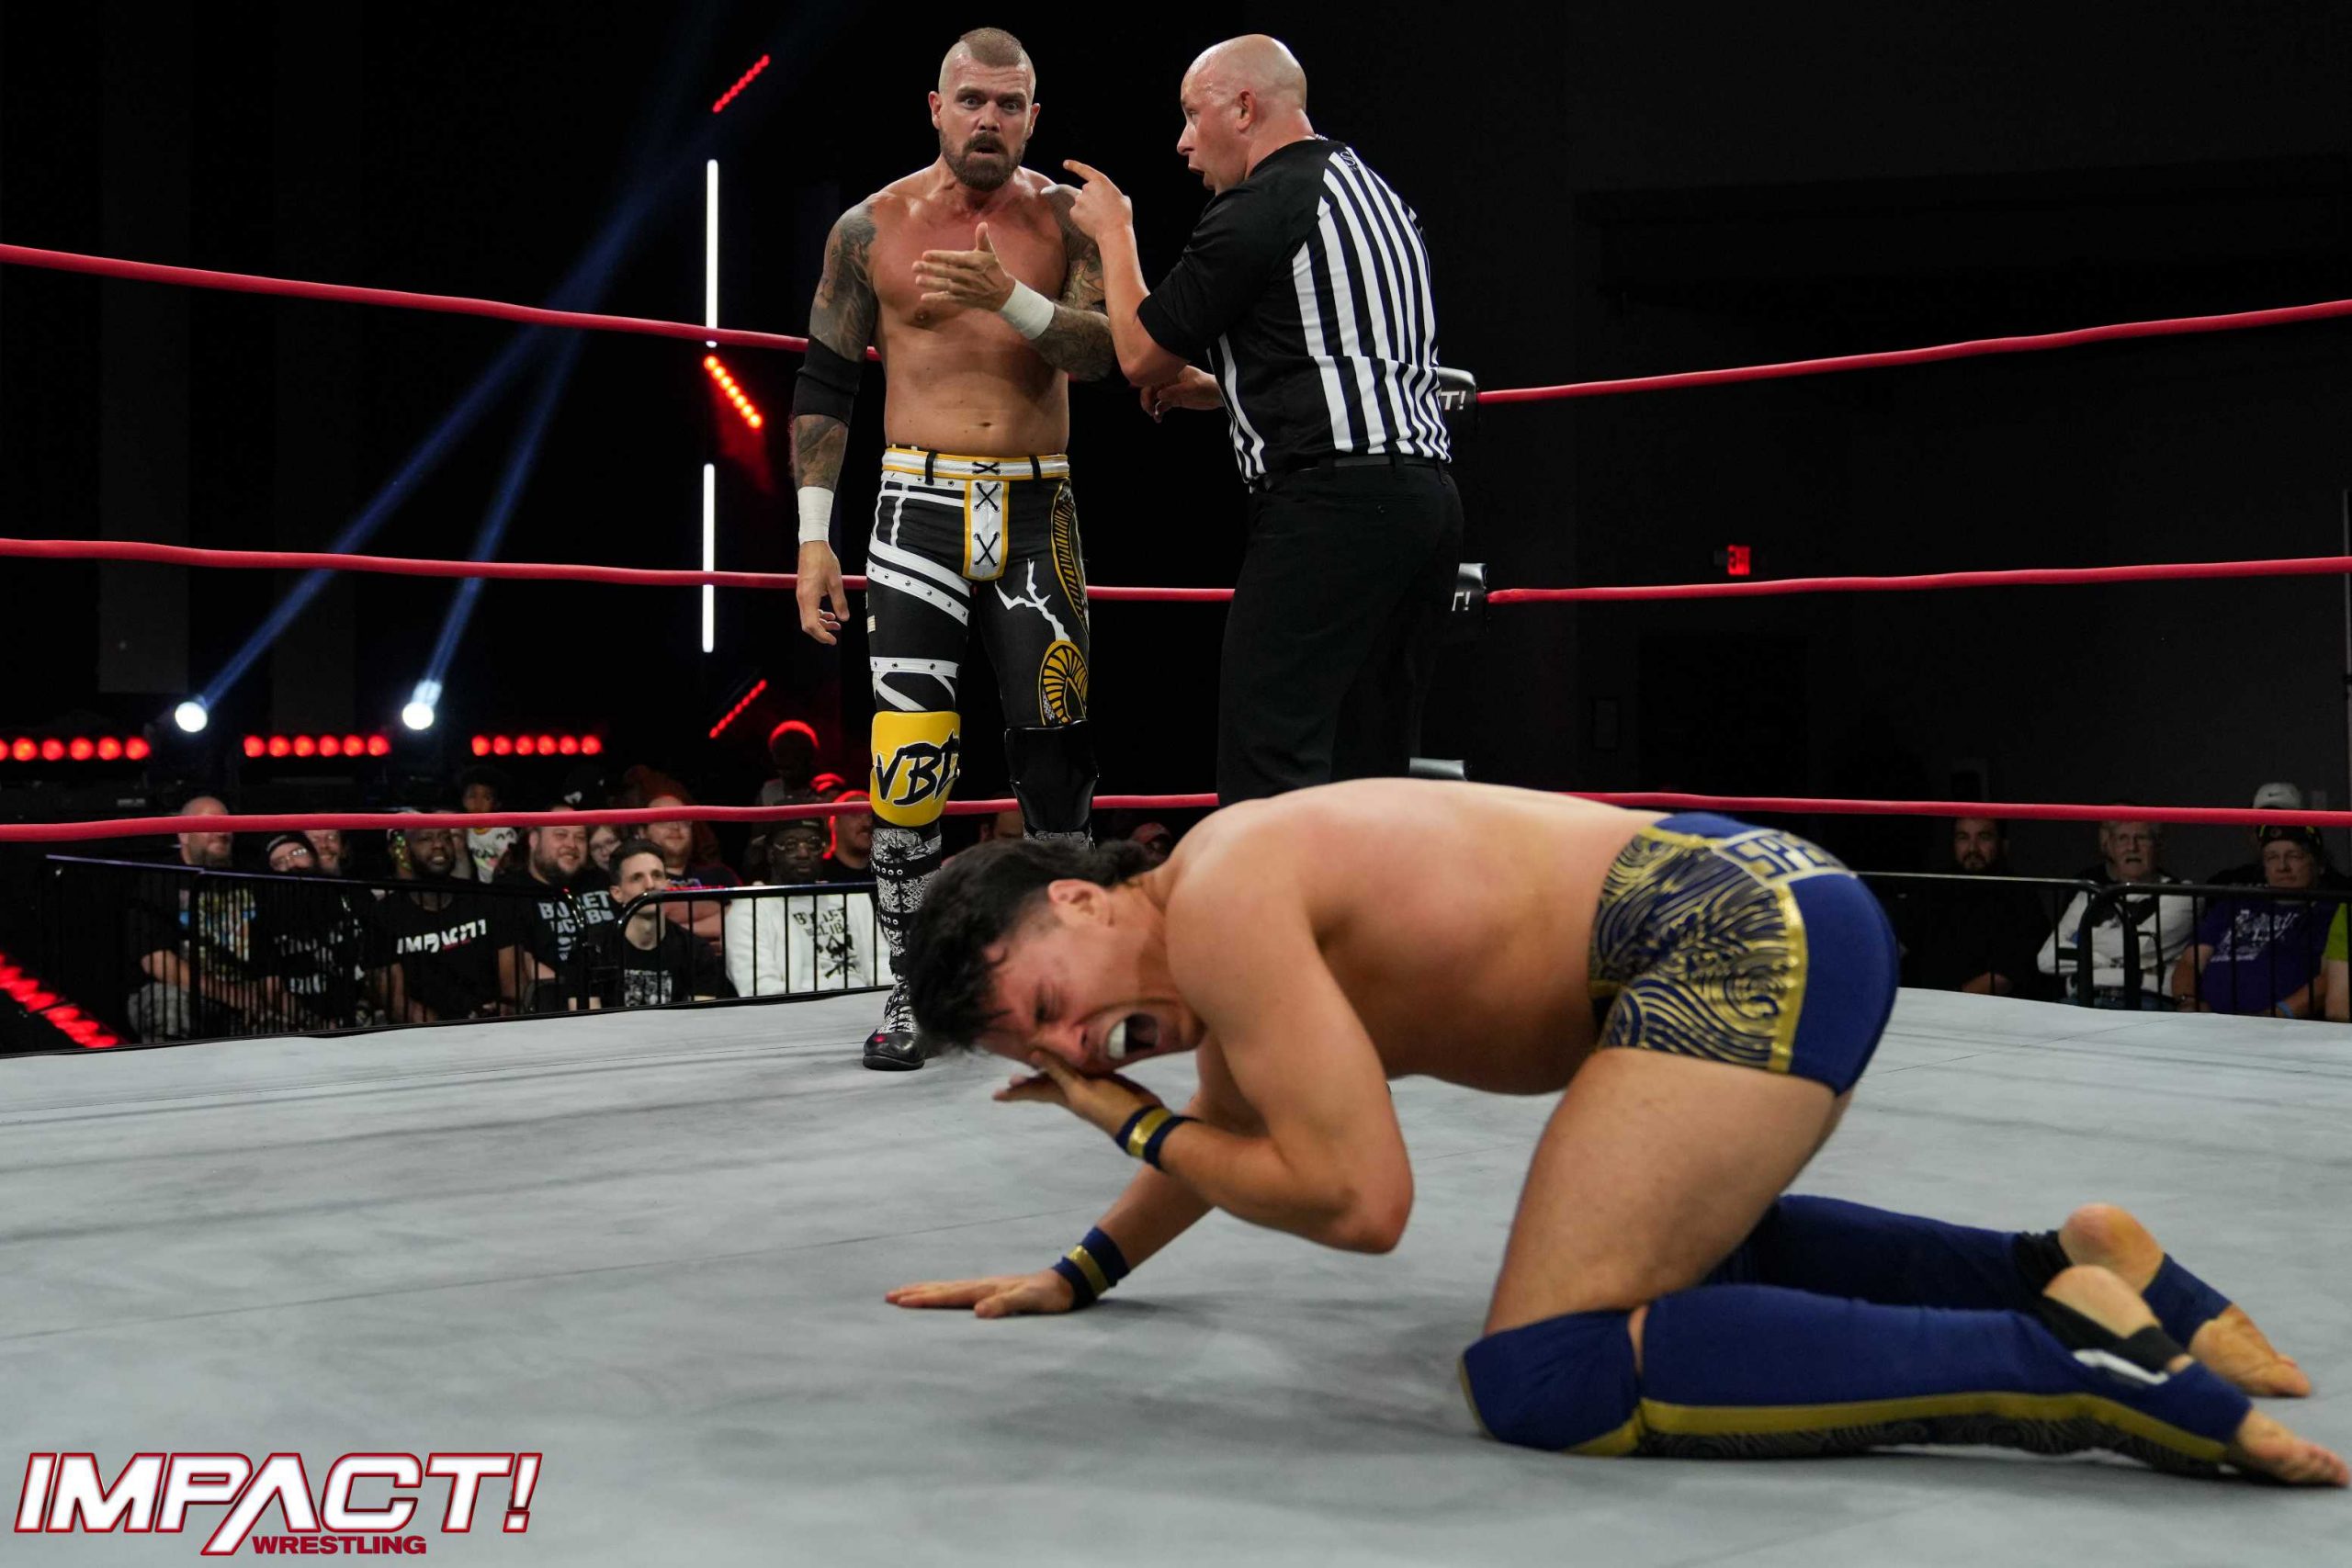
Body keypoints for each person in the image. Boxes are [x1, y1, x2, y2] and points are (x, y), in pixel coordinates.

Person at [886, 781, 2338, 1486]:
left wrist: (1129, 1125)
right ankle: (2070, 1269)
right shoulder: (1218, 900)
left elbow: (1358, 1198)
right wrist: (1081, 1267)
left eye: (1053, 1008)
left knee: (1546, 1371)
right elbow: (1237, 1129)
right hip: (1749, 898)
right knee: (1679, 1265)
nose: (1081, 1053)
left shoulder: (1218, 903)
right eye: (1044, 1057)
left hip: (1721, 933)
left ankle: (2074, 1372)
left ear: (1078, 898)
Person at [789, 26, 1115, 1071]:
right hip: (914, 505)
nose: (989, 120)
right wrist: (812, 538)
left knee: (1054, 755)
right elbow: (826, 381)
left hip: (1037, 506)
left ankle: (1064, 984)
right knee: (907, 758)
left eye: (1009, 104)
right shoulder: (869, 227)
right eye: (971, 99)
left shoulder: (1069, 221)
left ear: (1033, 116)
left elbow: (1105, 351)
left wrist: (1008, 299)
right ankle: (912, 987)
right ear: (936, 107)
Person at [1059, 35, 1460, 805]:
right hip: (1424, 505)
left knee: (1267, 757)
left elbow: (1139, 353)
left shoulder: (1260, 206)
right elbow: (1347, 353)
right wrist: (1225, 389)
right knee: (1368, 764)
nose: (1182, 143)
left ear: (1244, 108)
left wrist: (1114, 231)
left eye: (1192, 114)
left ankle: (1268, 890)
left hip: (1331, 512)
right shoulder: (1374, 191)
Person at [125, 795, 258, 1041]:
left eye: (228, 825)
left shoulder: (247, 877)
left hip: (239, 992)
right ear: (184, 834)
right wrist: (230, 994)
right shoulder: (160, 879)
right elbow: (156, 961)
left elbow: (268, 952)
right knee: (169, 1003)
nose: (222, 833)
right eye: (211, 825)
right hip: (182, 990)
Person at [2172, 827, 2335, 1018]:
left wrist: (2275, 1015)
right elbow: (2190, 962)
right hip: (2207, 1023)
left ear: (2320, 865)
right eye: (2272, 858)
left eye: (2294, 856)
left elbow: (2330, 979)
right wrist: (2188, 1002)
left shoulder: (2330, 912)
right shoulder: (2234, 903)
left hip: (2283, 1025)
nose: (2282, 866)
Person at [2035, 816, 2195, 1007]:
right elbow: (2047, 958)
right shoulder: (2089, 895)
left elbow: (2141, 948)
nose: (2132, 847)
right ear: (2110, 848)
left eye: (2142, 838)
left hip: (2144, 1001)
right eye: (2122, 839)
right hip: (2082, 1000)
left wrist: (2081, 939)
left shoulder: (2181, 893)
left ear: (2158, 845)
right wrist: (2106, 959)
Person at [1889, 816, 2048, 997]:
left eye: (1984, 837)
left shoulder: (2020, 895)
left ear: (2003, 845)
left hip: (1986, 1008)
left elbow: (2005, 977)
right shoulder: (1933, 886)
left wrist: (1948, 1003)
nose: (1972, 848)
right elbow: (1896, 943)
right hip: (1920, 1003)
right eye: (1963, 837)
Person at [373, 819, 510, 1022]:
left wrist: (507, 1007)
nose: (439, 844)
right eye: (426, 839)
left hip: (490, 1024)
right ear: (406, 851)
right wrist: (444, 1030)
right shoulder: (385, 914)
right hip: (427, 1033)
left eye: (446, 837)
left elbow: (512, 974)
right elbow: (395, 999)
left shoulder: (483, 899)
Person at [582, 839, 736, 1008]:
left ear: (667, 885)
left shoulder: (697, 952)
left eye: (657, 875)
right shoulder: (591, 948)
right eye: (637, 878)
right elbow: (587, 1022)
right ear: (617, 893)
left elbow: (700, 1020)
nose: (650, 885)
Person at [248, 832, 375, 1030]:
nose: (291, 864)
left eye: (297, 853)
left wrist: (361, 1012)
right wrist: (315, 1023)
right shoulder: (264, 924)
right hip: (302, 1025)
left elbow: (381, 968)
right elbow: (272, 990)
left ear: (313, 855)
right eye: (279, 862)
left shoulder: (354, 896)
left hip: (364, 1014)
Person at [494, 806, 616, 1012]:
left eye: (580, 838)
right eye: (561, 835)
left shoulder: (602, 880)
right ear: (534, 840)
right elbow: (519, 970)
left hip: (619, 998)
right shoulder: (510, 891)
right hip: (558, 1009)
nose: (572, 845)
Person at [821, 790, 876, 882]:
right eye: (855, 815)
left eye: (871, 816)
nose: (867, 823)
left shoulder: (889, 874)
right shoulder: (818, 873)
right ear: (834, 822)